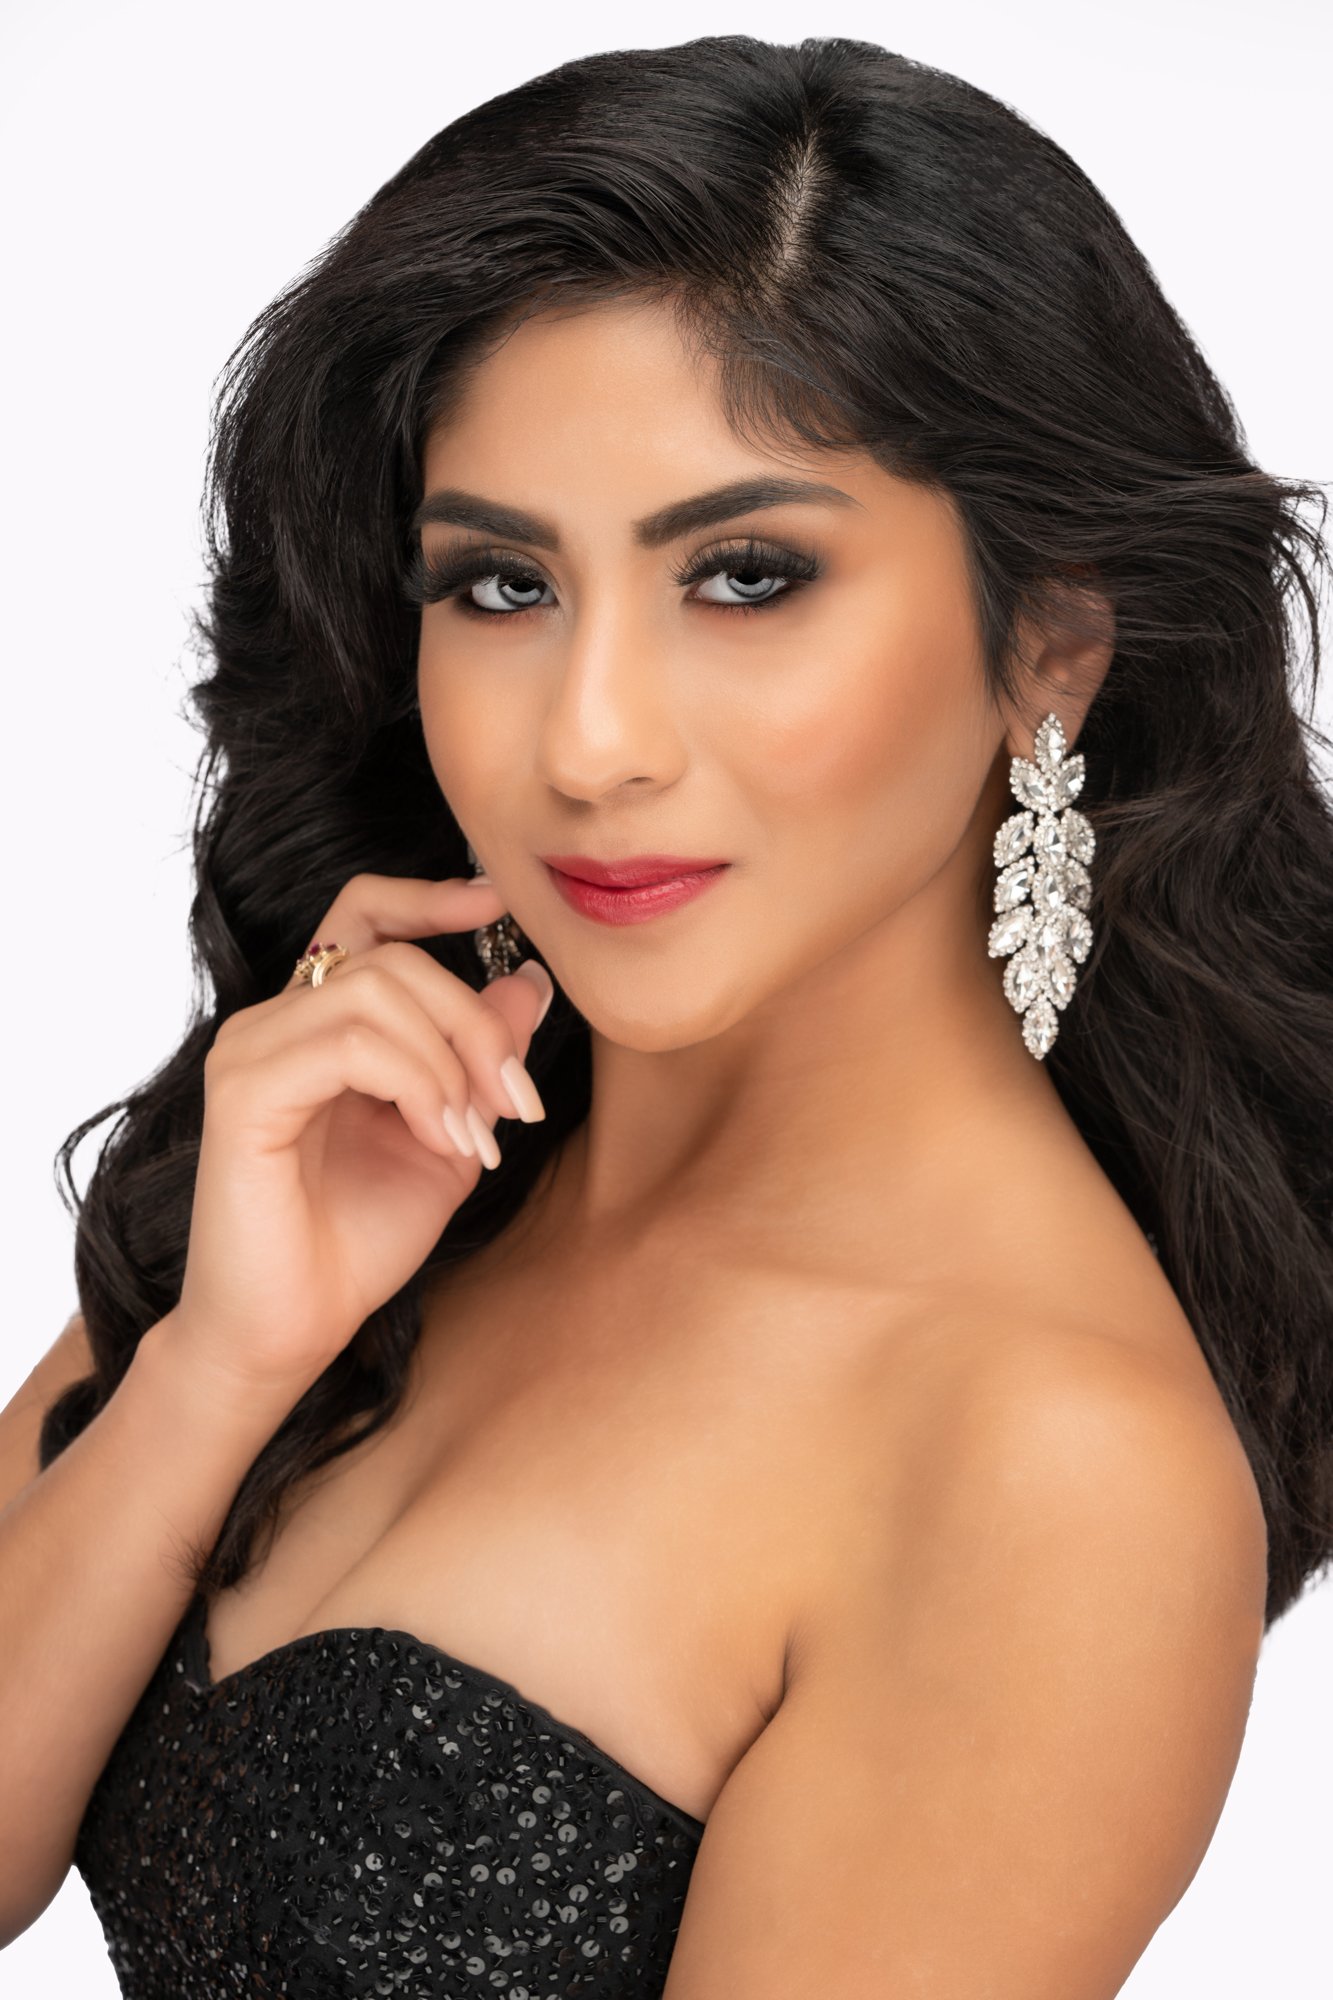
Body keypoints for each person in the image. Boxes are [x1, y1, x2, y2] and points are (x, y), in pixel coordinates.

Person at [2, 30, 1330, 1999]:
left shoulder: (1046, 1467)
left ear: (1044, 643)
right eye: (501, 589)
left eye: (743, 573)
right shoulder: (362, 1172)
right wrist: (215, 1370)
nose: (592, 744)